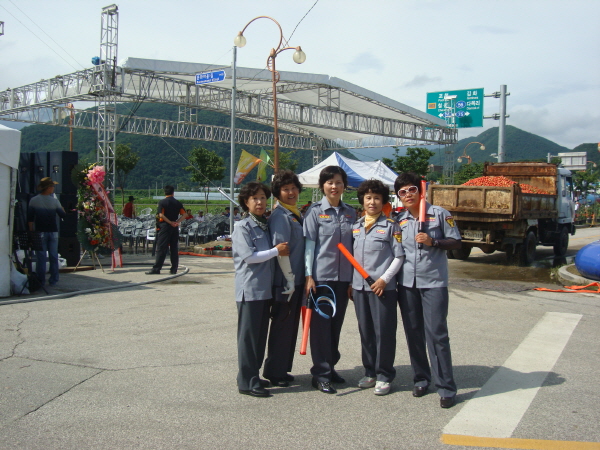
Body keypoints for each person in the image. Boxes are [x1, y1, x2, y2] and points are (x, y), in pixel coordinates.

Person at [394, 172, 461, 409]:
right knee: (413, 334)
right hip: (407, 284)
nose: (408, 195)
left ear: (420, 190)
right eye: (402, 192)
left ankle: (446, 387)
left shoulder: (440, 214)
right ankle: (421, 379)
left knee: (437, 335)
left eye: (412, 189)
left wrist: (434, 242)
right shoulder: (400, 220)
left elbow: (456, 241)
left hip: (433, 282)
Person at [232, 181, 289, 397]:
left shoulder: (264, 225)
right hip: (250, 290)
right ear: (245, 202)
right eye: (254, 198)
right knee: (248, 338)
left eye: (263, 198)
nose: (259, 202)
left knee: (259, 336)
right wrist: (276, 251)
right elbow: (249, 257)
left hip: (265, 290)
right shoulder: (242, 227)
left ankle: (253, 375)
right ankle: (247, 381)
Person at [303, 166, 356, 394]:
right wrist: (309, 276)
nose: (334, 186)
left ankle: (330, 367)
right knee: (321, 328)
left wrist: (353, 280)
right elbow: (309, 247)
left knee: (336, 325)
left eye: (338, 182)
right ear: (322, 186)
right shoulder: (314, 212)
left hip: (344, 279)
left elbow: (355, 248)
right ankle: (320, 374)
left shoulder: (351, 213)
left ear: (344, 186)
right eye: (329, 182)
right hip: (321, 279)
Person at [352, 180, 405, 396]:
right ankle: (370, 372)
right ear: (362, 201)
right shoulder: (356, 227)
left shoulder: (392, 226)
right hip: (359, 288)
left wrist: (384, 279)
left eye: (376, 198)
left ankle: (384, 375)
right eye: (368, 198)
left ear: (383, 202)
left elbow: (399, 257)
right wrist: (351, 284)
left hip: (383, 289)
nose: (372, 202)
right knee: (366, 331)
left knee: (384, 332)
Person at [263, 170, 305, 387]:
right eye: (285, 189)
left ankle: (282, 369)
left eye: (293, 188)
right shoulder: (281, 216)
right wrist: (288, 278)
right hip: (285, 282)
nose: (291, 192)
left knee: (289, 327)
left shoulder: (294, 213)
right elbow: (282, 250)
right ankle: (275, 371)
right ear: (278, 193)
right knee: (282, 326)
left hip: (296, 279)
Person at [27, 177, 66, 287]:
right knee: (53, 256)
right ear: (48, 188)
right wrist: (62, 207)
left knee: (41, 257)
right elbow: (63, 215)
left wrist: (31, 232)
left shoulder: (34, 200)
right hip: (53, 231)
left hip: (40, 232)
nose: (53, 188)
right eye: (52, 186)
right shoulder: (54, 201)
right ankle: (53, 279)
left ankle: (41, 280)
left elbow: (30, 219)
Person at [146, 185, 189, 275]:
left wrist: (169, 222)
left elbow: (161, 215)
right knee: (174, 248)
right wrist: (176, 222)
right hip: (174, 227)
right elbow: (185, 215)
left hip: (165, 226)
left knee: (162, 248)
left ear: (164, 192)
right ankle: (174, 269)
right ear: (173, 192)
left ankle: (157, 269)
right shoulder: (177, 203)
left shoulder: (162, 202)